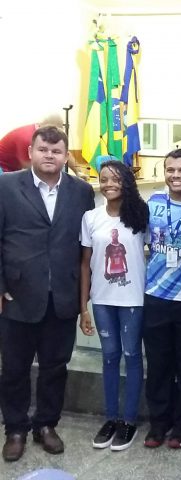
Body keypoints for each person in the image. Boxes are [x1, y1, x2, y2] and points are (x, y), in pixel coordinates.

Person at [0, 126, 94, 462]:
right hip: (17, 295)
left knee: (55, 367)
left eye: (56, 151)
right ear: (31, 152)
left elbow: (85, 245)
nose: (49, 156)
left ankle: (46, 425)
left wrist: (84, 296)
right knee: (14, 368)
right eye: (43, 149)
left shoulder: (82, 191)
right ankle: (15, 429)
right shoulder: (6, 186)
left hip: (62, 296)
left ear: (66, 155)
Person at [79, 159, 149, 451]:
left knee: (132, 356)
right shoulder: (90, 217)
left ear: (127, 182)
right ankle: (111, 418)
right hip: (102, 300)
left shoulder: (140, 215)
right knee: (109, 356)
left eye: (116, 179)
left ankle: (129, 420)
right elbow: (85, 264)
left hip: (133, 299)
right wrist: (84, 307)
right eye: (104, 179)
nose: (109, 184)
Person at [142, 149, 181, 449]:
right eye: (170, 170)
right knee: (158, 364)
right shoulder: (153, 202)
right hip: (155, 295)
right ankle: (158, 423)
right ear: (164, 172)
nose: (176, 175)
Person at [0, 115, 89, 179]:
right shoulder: (28, 138)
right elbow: (30, 168)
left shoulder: (42, 131)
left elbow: (63, 152)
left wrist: (78, 172)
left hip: (13, 167)